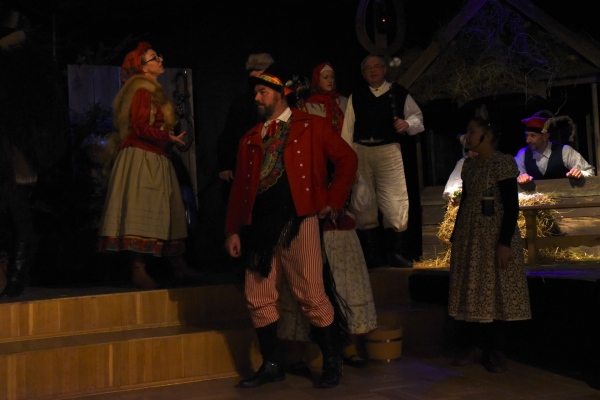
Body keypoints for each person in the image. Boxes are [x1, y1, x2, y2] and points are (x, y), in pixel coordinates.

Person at [223, 63, 358, 389]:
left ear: (281, 93)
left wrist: (333, 200)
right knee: (258, 295)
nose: (256, 97)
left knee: (311, 292)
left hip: (300, 220)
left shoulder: (310, 125)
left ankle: (332, 361)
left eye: (262, 91)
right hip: (259, 226)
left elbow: (347, 159)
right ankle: (272, 364)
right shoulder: (250, 138)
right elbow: (240, 188)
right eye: (255, 92)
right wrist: (233, 230)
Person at [277, 62, 377, 370]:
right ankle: (298, 351)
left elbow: (346, 158)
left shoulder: (322, 121)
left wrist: (334, 200)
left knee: (340, 279)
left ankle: (345, 345)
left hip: (329, 213)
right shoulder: (282, 131)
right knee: (301, 283)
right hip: (298, 218)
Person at [97, 42, 203, 289]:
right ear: (143, 68)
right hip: (142, 156)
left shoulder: (154, 91)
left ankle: (178, 265)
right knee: (141, 211)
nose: (160, 60)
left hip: (157, 155)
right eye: (154, 58)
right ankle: (138, 268)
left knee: (169, 210)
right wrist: (167, 136)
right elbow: (140, 127)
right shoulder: (141, 91)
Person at [448, 114, 531, 373]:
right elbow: (466, 201)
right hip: (471, 236)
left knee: (495, 286)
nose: (468, 136)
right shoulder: (469, 166)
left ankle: (496, 350)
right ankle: (476, 346)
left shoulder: (502, 163)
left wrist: (504, 243)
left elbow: (511, 206)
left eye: (472, 132)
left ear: (488, 136)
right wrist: (456, 237)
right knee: (474, 286)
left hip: (493, 235)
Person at [341, 54, 425, 268]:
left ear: (384, 69)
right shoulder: (357, 96)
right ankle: (372, 255)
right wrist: (347, 159)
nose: (373, 70)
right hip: (362, 150)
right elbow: (347, 129)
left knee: (395, 199)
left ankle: (395, 252)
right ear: (363, 73)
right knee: (363, 200)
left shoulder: (398, 92)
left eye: (377, 66)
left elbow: (417, 117)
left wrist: (407, 124)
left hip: (389, 149)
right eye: (368, 68)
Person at [216, 52, 274, 203]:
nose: (255, 75)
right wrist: (225, 164)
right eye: (253, 71)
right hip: (244, 164)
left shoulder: (278, 101)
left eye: (260, 70)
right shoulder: (242, 103)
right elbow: (229, 133)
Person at [515, 115, 595, 184]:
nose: (527, 140)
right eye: (527, 135)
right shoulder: (523, 154)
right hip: (535, 197)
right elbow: (518, 178)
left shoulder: (565, 151)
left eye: (533, 136)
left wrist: (580, 173)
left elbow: (590, 172)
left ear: (545, 137)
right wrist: (521, 178)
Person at [442, 135, 478, 203]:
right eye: (469, 150)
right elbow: (454, 186)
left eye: (475, 148)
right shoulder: (463, 163)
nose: (473, 152)